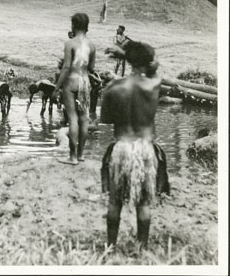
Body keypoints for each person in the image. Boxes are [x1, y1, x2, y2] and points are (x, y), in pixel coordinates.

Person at [100, 41, 170, 250]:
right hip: (145, 149)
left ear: (129, 62)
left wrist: (125, 55)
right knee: (143, 203)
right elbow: (155, 67)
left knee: (115, 202)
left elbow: (107, 119)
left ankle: (110, 247)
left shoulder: (113, 87)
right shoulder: (153, 84)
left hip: (122, 147)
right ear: (147, 63)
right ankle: (141, 247)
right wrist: (126, 54)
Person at [52, 13, 96, 165]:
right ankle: (81, 154)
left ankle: (72, 157)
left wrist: (56, 88)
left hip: (71, 82)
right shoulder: (91, 45)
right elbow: (91, 67)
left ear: (74, 26)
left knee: (72, 119)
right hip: (85, 81)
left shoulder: (70, 44)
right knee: (84, 118)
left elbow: (66, 67)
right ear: (87, 27)